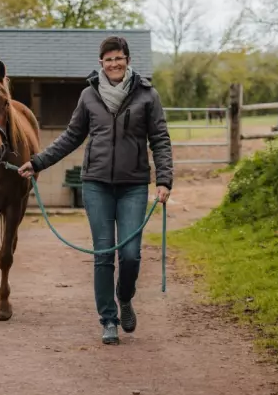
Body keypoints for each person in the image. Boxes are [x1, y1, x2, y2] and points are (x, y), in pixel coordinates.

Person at [18, 35, 173, 345]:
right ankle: (109, 319)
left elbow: (160, 139)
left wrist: (165, 179)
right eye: (108, 59)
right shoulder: (89, 96)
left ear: (128, 60)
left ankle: (124, 297)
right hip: (96, 185)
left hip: (133, 186)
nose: (113, 63)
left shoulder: (147, 95)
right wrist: (37, 163)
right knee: (104, 253)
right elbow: (71, 137)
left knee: (129, 255)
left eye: (119, 57)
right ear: (101, 63)